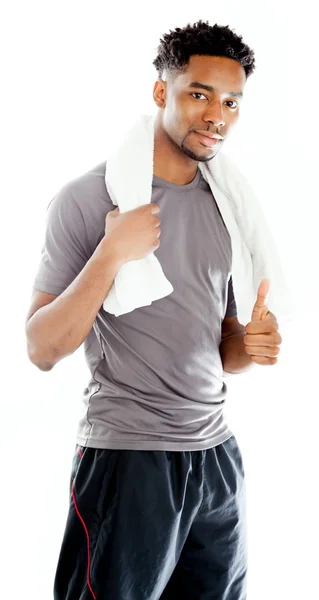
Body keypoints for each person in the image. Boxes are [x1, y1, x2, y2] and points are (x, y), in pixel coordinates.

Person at [25, 20, 282, 600]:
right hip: (128, 458)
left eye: (231, 101)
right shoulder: (91, 199)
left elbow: (221, 348)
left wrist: (247, 347)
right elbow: (41, 348)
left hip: (216, 457)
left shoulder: (228, 203)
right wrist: (113, 251)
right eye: (199, 93)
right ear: (161, 91)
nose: (217, 114)